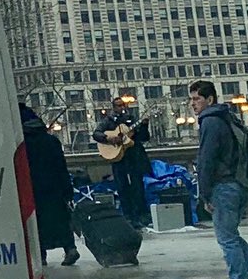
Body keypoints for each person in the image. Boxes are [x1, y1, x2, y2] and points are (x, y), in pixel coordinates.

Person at [191, 79, 248, 279]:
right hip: (240, 184)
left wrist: (204, 194)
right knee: (230, 234)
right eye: (191, 99)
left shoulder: (210, 122)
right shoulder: (226, 117)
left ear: (210, 99)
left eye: (197, 99)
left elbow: (207, 160)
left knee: (226, 238)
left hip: (224, 186)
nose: (193, 104)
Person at [20, 102, 79, 265]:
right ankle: (70, 248)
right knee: (61, 219)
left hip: (33, 187)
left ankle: (41, 255)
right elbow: (61, 167)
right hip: (55, 187)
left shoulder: (23, 145)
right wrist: (67, 190)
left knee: (36, 222)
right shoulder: (52, 141)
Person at [93, 93, 152, 230]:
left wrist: (144, 126)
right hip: (119, 159)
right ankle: (128, 216)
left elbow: (144, 137)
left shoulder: (131, 120)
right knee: (122, 187)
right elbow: (96, 134)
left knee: (138, 186)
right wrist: (109, 139)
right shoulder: (108, 122)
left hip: (134, 157)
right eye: (119, 106)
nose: (122, 108)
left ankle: (141, 215)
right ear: (114, 108)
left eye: (123, 105)